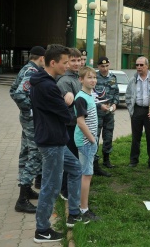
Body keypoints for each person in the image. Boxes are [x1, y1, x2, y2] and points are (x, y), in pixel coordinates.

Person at [30, 45, 86, 243]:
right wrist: (69, 101)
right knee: (51, 186)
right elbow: (66, 115)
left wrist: (63, 103)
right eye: (64, 62)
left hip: (56, 139)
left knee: (75, 168)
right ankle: (42, 230)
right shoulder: (47, 86)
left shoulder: (44, 82)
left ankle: (74, 212)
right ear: (53, 63)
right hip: (52, 142)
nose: (67, 66)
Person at [10, 46, 45, 213]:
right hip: (31, 120)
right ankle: (22, 198)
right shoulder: (32, 71)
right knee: (36, 153)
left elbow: (12, 90)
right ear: (42, 58)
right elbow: (18, 94)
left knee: (25, 151)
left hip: (26, 119)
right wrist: (29, 110)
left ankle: (26, 188)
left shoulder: (25, 69)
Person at [74, 66, 100, 221]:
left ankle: (83, 204)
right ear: (81, 79)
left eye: (94, 77)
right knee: (86, 174)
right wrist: (92, 139)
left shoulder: (89, 95)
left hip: (89, 140)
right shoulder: (81, 97)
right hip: (85, 141)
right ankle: (83, 209)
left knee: (86, 173)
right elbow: (80, 122)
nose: (93, 80)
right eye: (89, 77)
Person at [56, 48, 82, 200]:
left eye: (78, 60)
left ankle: (69, 187)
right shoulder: (65, 80)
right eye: (73, 60)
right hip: (70, 125)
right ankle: (64, 189)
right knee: (70, 159)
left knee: (75, 157)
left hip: (76, 124)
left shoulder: (76, 78)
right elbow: (70, 106)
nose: (76, 63)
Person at [125, 56, 150, 169]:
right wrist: (131, 110)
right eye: (137, 65)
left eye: (141, 65)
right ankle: (133, 161)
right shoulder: (132, 80)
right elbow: (128, 96)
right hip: (137, 110)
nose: (138, 67)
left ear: (147, 66)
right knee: (135, 137)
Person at [94, 56, 119, 174]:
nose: (104, 68)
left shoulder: (113, 77)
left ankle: (106, 159)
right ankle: (94, 162)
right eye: (102, 66)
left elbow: (116, 94)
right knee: (95, 137)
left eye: (106, 66)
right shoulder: (94, 77)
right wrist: (100, 106)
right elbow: (91, 95)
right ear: (98, 66)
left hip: (109, 114)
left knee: (108, 136)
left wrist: (114, 104)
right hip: (97, 113)